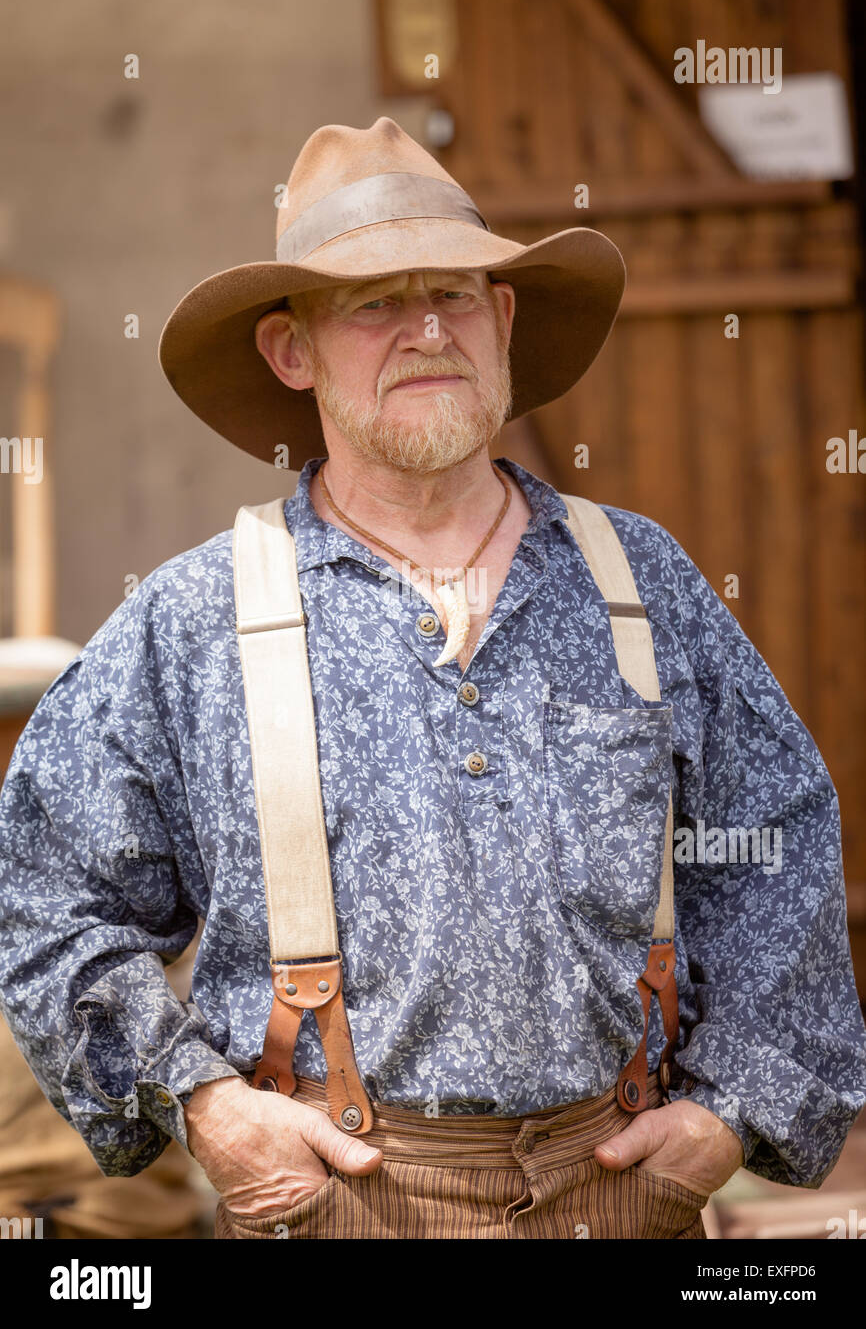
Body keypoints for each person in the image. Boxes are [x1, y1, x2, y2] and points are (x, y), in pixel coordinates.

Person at [1, 118, 864, 1241]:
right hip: (333, 1209)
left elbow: (777, 848)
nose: (425, 330)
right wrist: (208, 1107)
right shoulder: (192, 620)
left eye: (455, 295)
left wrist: (726, 1117)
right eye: (372, 302)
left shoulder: (638, 580)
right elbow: (44, 897)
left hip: (626, 1195)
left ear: (501, 322)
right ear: (291, 351)